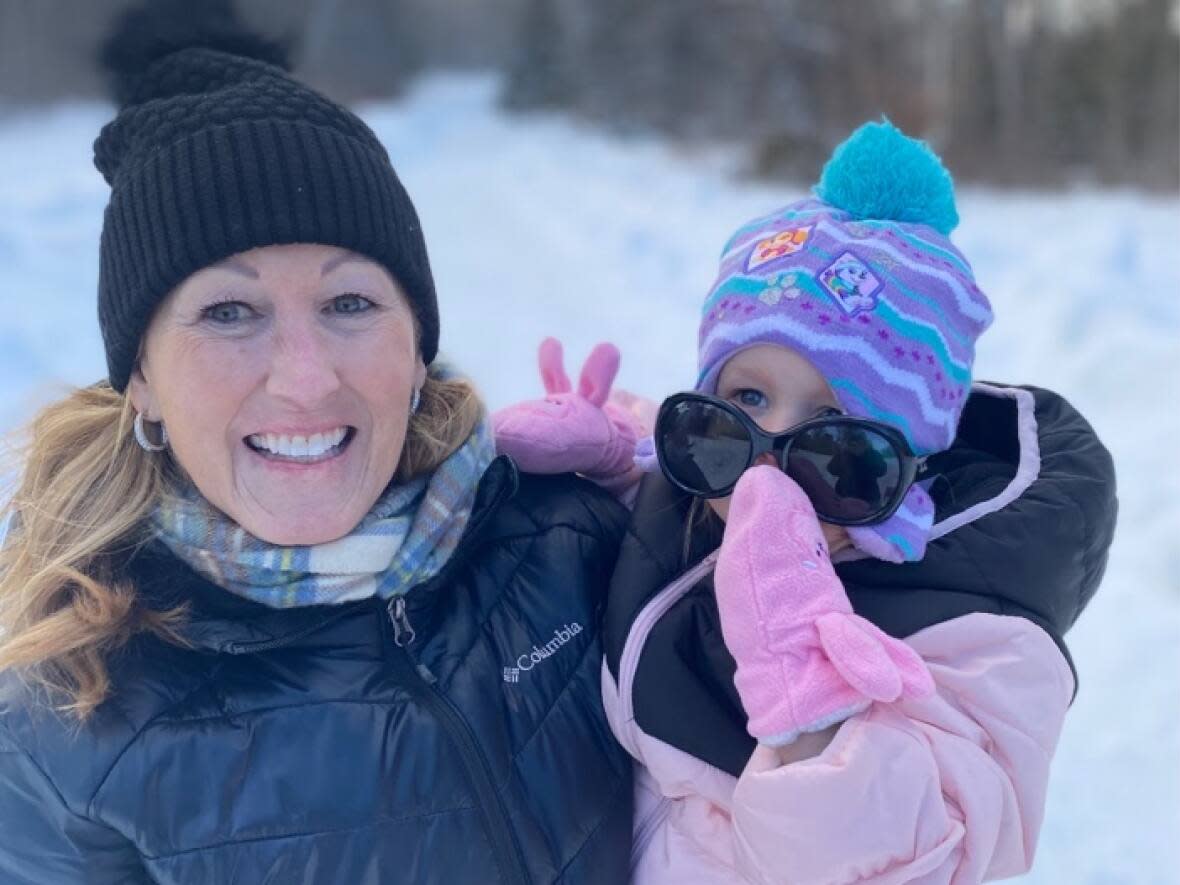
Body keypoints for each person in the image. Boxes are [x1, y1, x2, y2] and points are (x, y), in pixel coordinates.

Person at [0, 6, 633, 883]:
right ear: (138, 378)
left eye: (349, 304)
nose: (304, 378)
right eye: (229, 311)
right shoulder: (61, 712)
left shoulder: (570, 545)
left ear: (416, 351)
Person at [495, 121, 1116, 883]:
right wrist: (618, 449)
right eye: (741, 401)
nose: (766, 462)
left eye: (834, 437)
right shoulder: (700, 500)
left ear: (914, 459)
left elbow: (915, 857)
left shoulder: (984, 634)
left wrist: (808, 693)